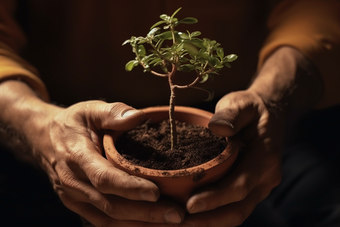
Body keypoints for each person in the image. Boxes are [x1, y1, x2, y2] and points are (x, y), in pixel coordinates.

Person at [0, 0, 339, 226]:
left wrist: (275, 97)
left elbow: (316, 9)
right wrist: (35, 122)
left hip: (240, 116)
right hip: (61, 118)